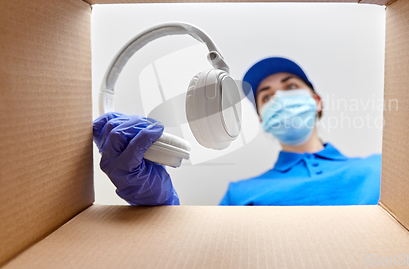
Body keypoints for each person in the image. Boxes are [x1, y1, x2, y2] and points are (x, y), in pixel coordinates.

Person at [93, 57, 381, 206]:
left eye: (291, 86)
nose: (279, 98)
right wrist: (158, 203)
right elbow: (201, 257)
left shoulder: (380, 168)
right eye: (266, 97)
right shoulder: (240, 193)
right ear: (262, 117)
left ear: (316, 102)